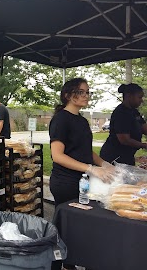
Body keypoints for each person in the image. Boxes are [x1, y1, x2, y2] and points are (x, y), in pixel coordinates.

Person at [49, 78, 116, 270]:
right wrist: (91, 168)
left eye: (88, 92)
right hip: (65, 182)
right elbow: (57, 156)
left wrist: (104, 164)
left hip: (84, 181)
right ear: (68, 95)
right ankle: (58, 263)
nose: (86, 96)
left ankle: (73, 262)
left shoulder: (82, 120)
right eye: (82, 92)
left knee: (82, 224)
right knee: (67, 226)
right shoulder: (61, 119)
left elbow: (86, 150)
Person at [100, 83, 147, 165]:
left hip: (127, 156)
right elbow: (124, 140)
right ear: (129, 96)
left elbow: (144, 128)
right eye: (139, 97)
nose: (141, 100)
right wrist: (143, 145)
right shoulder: (121, 113)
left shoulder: (134, 112)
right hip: (115, 157)